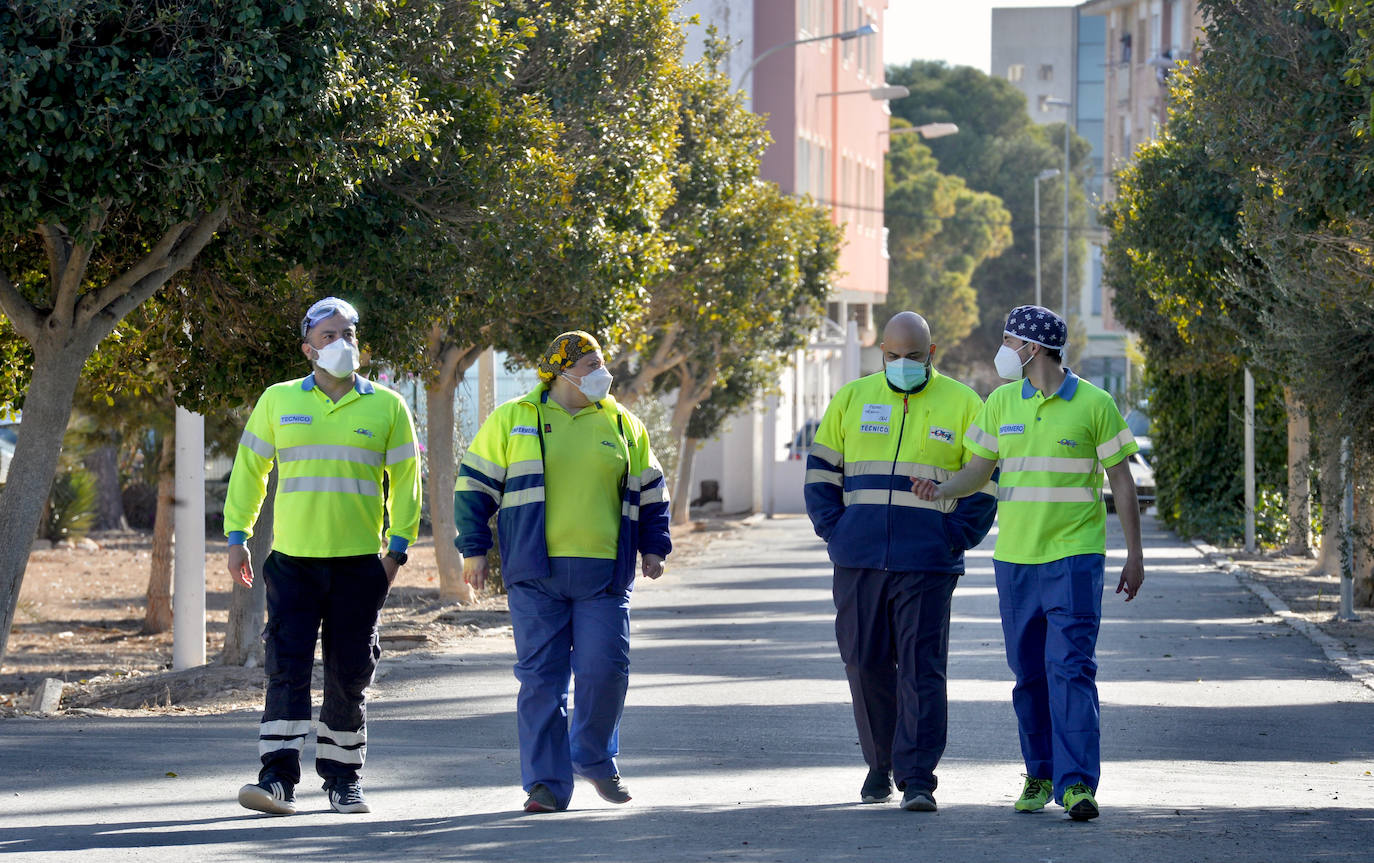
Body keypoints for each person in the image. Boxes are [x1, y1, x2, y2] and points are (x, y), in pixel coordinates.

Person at [912, 304, 1145, 821]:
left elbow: (1121, 482)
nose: (1003, 351)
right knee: (1029, 675)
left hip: (1075, 559)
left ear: (1032, 348)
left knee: (1071, 668)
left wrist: (1135, 554)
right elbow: (977, 472)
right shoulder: (999, 403)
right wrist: (941, 490)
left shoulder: (1095, 403)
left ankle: (1079, 784)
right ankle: (1039, 774)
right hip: (1015, 560)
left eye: (1007, 340)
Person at [455, 331, 671, 813]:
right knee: (542, 682)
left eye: (601, 362)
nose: (602, 371)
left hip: (605, 576)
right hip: (535, 573)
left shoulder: (622, 423)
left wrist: (655, 547)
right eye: (591, 362)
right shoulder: (515, 418)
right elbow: (473, 487)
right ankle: (547, 785)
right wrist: (474, 549)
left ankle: (594, 758)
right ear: (561, 369)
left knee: (605, 673)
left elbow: (653, 491)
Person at [223, 297, 421, 816]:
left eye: (350, 334)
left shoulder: (387, 406)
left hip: (360, 566)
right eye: (330, 335)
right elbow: (249, 471)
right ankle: (276, 781)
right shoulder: (277, 400)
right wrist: (236, 535)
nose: (343, 343)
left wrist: (396, 552)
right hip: (293, 564)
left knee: (349, 673)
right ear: (307, 346)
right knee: (285, 671)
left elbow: (406, 483)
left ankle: (343, 780)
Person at [804, 311, 997, 812]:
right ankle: (879, 764)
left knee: (920, 669)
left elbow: (985, 482)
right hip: (859, 559)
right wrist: (836, 531)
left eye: (914, 357)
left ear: (932, 354)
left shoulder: (963, 403)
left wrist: (953, 537)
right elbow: (821, 472)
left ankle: (917, 779)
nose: (902, 364)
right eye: (893, 356)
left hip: (928, 564)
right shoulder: (852, 398)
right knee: (864, 663)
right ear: (881, 354)